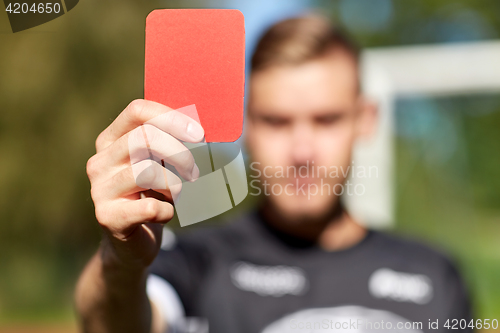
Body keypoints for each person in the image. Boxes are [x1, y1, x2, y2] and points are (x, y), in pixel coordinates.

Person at [75, 15, 471, 333]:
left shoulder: (434, 275)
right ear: (247, 124)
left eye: (326, 120)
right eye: (277, 121)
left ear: (365, 119)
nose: (302, 152)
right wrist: (121, 260)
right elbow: (114, 324)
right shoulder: (198, 262)